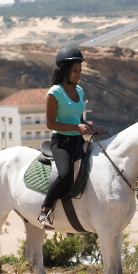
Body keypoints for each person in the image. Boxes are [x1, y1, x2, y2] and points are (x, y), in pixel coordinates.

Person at [38, 46, 107, 229]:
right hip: (61, 142)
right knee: (64, 174)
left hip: (78, 141)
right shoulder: (54, 93)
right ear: (64, 70)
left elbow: (80, 118)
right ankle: (45, 211)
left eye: (80, 71)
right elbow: (50, 124)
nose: (78, 75)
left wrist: (92, 128)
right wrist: (77, 127)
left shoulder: (80, 91)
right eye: (74, 71)